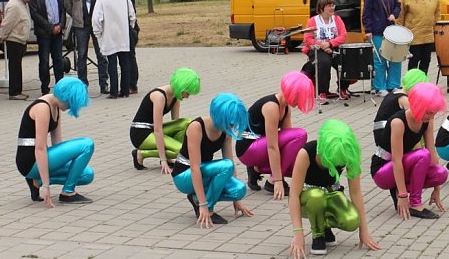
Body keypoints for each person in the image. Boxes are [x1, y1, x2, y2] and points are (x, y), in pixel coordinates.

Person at [288, 120, 381, 258]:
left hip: (332, 193)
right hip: (307, 200)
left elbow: (355, 192)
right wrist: (298, 233)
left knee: (351, 221)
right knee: (316, 195)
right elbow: (294, 194)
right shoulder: (306, 153)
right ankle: (318, 234)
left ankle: (324, 224)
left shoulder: (349, 153)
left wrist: (364, 231)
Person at [172, 93, 254, 228]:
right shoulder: (196, 127)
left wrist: (236, 200)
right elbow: (194, 167)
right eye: (230, 122)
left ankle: (197, 199)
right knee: (225, 166)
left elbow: (230, 162)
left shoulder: (226, 130)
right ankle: (206, 207)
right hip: (184, 175)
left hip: (204, 172)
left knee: (239, 189)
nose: (232, 125)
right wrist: (205, 206)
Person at [371, 82, 448, 220]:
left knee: (441, 174)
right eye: (429, 113)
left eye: (433, 113)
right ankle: (415, 203)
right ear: (418, 106)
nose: (431, 117)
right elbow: (396, 160)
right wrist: (402, 195)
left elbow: (433, 153)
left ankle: (404, 190)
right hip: (383, 170)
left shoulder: (427, 121)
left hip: (403, 166)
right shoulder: (398, 122)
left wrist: (437, 190)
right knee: (422, 155)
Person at [17, 77, 94, 206]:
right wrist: (47, 187)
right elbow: (40, 148)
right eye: (70, 103)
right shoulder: (42, 108)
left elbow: (57, 143)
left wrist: (72, 162)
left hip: (39, 156)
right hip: (29, 160)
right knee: (87, 144)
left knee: (87, 175)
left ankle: (37, 182)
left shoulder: (55, 106)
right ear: (66, 97)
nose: (70, 107)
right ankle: (67, 192)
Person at [238, 71, 315, 199]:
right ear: (293, 92)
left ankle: (256, 170)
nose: (301, 100)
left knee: (296, 164)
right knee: (300, 134)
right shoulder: (271, 106)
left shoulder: (285, 107)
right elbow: (272, 146)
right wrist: (278, 180)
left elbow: (288, 146)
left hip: (260, 146)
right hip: (247, 149)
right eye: (301, 96)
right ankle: (271, 181)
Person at [130, 68, 201, 173]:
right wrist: (163, 160)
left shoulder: (176, 96)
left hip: (153, 130)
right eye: (188, 93)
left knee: (187, 123)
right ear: (181, 88)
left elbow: (176, 124)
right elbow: (158, 129)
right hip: (140, 134)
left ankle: (170, 156)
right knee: (181, 151)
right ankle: (141, 154)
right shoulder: (159, 96)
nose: (188, 96)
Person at [64, 0, 108, 92]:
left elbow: (105, 1)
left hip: (97, 25)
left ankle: (104, 83)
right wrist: (77, 16)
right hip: (81, 25)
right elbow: (68, 5)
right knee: (81, 54)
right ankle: (82, 84)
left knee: (101, 54)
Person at [91, 0, 136, 99]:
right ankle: (125, 90)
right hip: (123, 35)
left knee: (112, 63)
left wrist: (98, 33)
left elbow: (97, 19)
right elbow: (132, 16)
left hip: (109, 35)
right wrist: (128, 27)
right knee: (125, 63)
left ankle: (114, 91)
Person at [362, 0, 402, 95]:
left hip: (391, 28)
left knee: (395, 57)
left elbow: (397, 5)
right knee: (380, 59)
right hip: (377, 30)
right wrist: (368, 29)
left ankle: (394, 84)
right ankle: (380, 86)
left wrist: (394, 15)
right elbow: (366, 12)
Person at [302, 0, 350, 100]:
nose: (332, 8)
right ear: (321, 8)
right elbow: (308, 39)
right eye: (329, 6)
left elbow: (343, 35)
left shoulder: (337, 19)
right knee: (324, 62)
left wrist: (330, 44)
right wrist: (322, 45)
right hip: (317, 49)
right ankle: (322, 92)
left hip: (333, 46)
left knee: (346, 61)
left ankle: (342, 88)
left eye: (333, 5)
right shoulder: (312, 21)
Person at [30, 0, 67, 96]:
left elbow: (63, 10)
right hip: (44, 33)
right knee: (44, 61)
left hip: (57, 31)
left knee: (58, 60)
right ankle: (45, 87)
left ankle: (60, 85)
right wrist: (51, 28)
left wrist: (60, 25)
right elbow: (35, 15)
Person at [397, 0, 440, 74]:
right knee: (414, 59)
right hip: (413, 34)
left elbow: (437, 12)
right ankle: (411, 83)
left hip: (428, 33)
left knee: (426, 59)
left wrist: (436, 28)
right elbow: (400, 15)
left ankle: (423, 82)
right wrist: (400, 32)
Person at [0, 0, 33, 100]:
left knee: (17, 66)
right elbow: (7, 23)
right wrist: (1, 36)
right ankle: (14, 92)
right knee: (14, 67)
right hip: (14, 40)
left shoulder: (21, 3)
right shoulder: (14, 6)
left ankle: (18, 90)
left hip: (20, 39)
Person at [114, 0, 139, 94]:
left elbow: (131, 14)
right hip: (123, 29)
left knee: (129, 57)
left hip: (128, 29)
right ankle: (130, 84)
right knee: (127, 57)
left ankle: (132, 84)